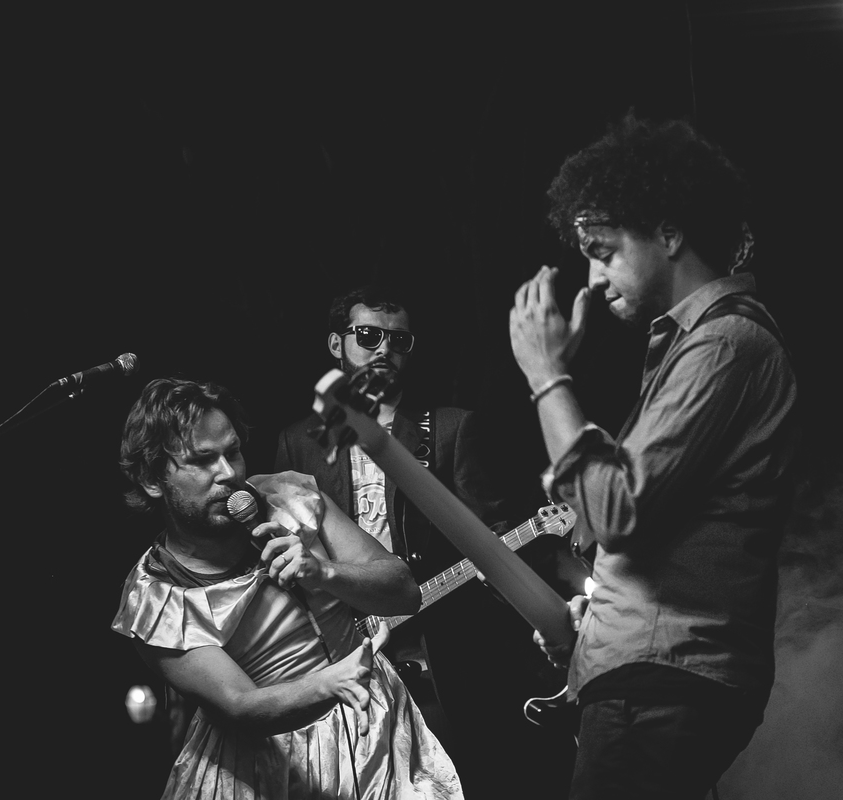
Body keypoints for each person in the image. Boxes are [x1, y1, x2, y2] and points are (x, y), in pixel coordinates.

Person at [509, 113, 800, 799]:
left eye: (604, 251)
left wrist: (547, 376)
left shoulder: (725, 344)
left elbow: (616, 511)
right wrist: (595, 626)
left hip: (663, 682)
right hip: (650, 676)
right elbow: (636, 531)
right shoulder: (695, 349)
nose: (593, 278)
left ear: (668, 234)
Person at [275, 284, 580, 798]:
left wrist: (495, 565)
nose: (383, 348)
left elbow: (491, 530)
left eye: (398, 340)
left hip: (436, 653)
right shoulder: (297, 441)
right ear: (335, 344)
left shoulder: (449, 429)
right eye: (368, 335)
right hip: (335, 650)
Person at [111, 377, 462, 799]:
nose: (228, 474)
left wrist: (324, 572)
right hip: (267, 769)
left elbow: (405, 591)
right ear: (152, 479)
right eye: (202, 460)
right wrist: (333, 683)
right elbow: (240, 705)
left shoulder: (291, 497)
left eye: (232, 452)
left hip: (377, 734)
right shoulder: (153, 597)